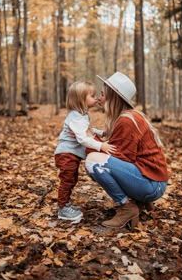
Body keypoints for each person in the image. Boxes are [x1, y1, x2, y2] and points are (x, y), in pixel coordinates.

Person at [85, 72, 169, 229]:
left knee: (93, 162)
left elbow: (119, 158)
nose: (99, 99)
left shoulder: (127, 121)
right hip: (153, 180)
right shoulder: (128, 116)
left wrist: (88, 140)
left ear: (113, 97)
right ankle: (140, 201)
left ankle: (127, 208)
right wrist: (94, 135)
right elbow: (120, 152)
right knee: (96, 160)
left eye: (102, 94)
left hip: (152, 185)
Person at [55, 81, 116, 223]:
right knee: (68, 180)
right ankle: (63, 208)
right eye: (92, 96)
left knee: (72, 179)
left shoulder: (81, 115)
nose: (96, 98)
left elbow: (86, 130)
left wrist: (100, 132)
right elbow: (82, 139)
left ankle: (65, 203)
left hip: (71, 154)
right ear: (81, 99)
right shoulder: (75, 117)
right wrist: (101, 146)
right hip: (66, 154)